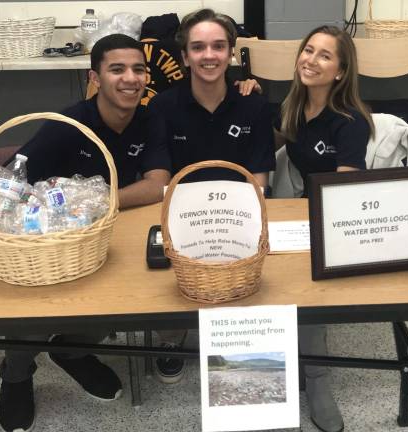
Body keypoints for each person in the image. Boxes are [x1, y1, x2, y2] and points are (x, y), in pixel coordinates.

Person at [0, 33, 171, 432]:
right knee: (30, 297)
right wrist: (40, 213)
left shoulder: (150, 120)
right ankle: (17, 371)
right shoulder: (67, 125)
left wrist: (92, 207)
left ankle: (71, 351)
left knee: (132, 290)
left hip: (111, 240)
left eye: (138, 69)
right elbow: (0, 186)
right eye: (117, 70)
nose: (130, 79)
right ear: (95, 77)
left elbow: (158, 184)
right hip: (57, 246)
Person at [146, 8, 275, 384]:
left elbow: (260, 177)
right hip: (183, 219)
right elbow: (160, 176)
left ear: (231, 53)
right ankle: (172, 337)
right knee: (165, 274)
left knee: (249, 275)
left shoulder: (253, 104)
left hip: (240, 215)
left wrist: (249, 223)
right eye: (198, 47)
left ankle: (243, 342)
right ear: (184, 56)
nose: (209, 55)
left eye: (219, 46)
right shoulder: (163, 107)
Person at [277, 25, 374, 432]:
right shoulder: (296, 108)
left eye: (324, 55)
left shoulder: (349, 122)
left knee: (308, 282)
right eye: (308, 49)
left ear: (340, 71)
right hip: (306, 210)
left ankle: (317, 378)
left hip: (341, 217)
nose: (310, 60)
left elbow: (345, 193)